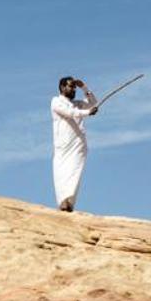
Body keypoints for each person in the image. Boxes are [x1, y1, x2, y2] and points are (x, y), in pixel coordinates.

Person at [50, 76, 100, 212]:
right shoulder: (56, 102)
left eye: (74, 87)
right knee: (62, 172)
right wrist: (87, 113)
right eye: (70, 86)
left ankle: (70, 203)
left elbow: (94, 103)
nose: (73, 89)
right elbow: (70, 113)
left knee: (75, 172)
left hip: (77, 144)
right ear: (62, 87)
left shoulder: (78, 103)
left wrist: (84, 87)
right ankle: (63, 202)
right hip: (63, 144)